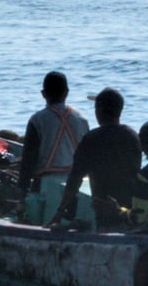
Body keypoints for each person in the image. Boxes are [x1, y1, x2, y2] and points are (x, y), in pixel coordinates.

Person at [48, 87, 141, 231]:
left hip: (105, 213)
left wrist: (59, 213)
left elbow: (74, 180)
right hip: (130, 213)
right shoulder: (132, 136)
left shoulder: (91, 139)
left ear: (98, 111)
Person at [18, 71, 90, 224]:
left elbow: (28, 161)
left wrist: (21, 195)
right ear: (67, 93)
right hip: (77, 182)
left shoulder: (37, 120)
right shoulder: (82, 118)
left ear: (43, 94)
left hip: (46, 182)